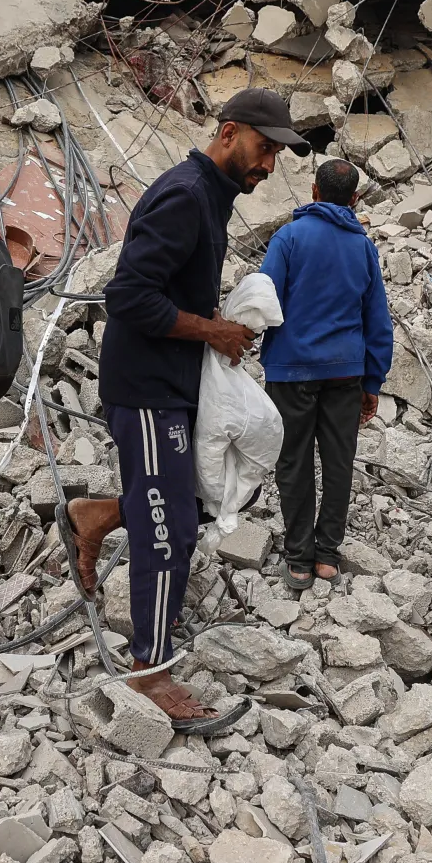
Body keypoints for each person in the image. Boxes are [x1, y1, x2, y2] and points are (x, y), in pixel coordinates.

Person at [63, 87, 308, 730]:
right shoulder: (185, 195)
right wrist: (213, 331)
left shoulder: (211, 196)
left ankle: (98, 514)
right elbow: (127, 297)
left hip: (176, 383)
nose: (268, 165)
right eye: (263, 148)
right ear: (228, 133)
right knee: (168, 526)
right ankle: (150, 671)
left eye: (276, 155)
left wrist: (213, 325)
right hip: (147, 388)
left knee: (197, 499)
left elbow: (167, 289)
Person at [257, 157, 393, 590]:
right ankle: (328, 556)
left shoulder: (289, 237)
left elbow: (263, 299)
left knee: (293, 461)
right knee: (338, 462)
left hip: (290, 371)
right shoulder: (363, 247)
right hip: (345, 372)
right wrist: (372, 381)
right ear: (354, 200)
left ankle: (299, 560)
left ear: (314, 191)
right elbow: (378, 320)